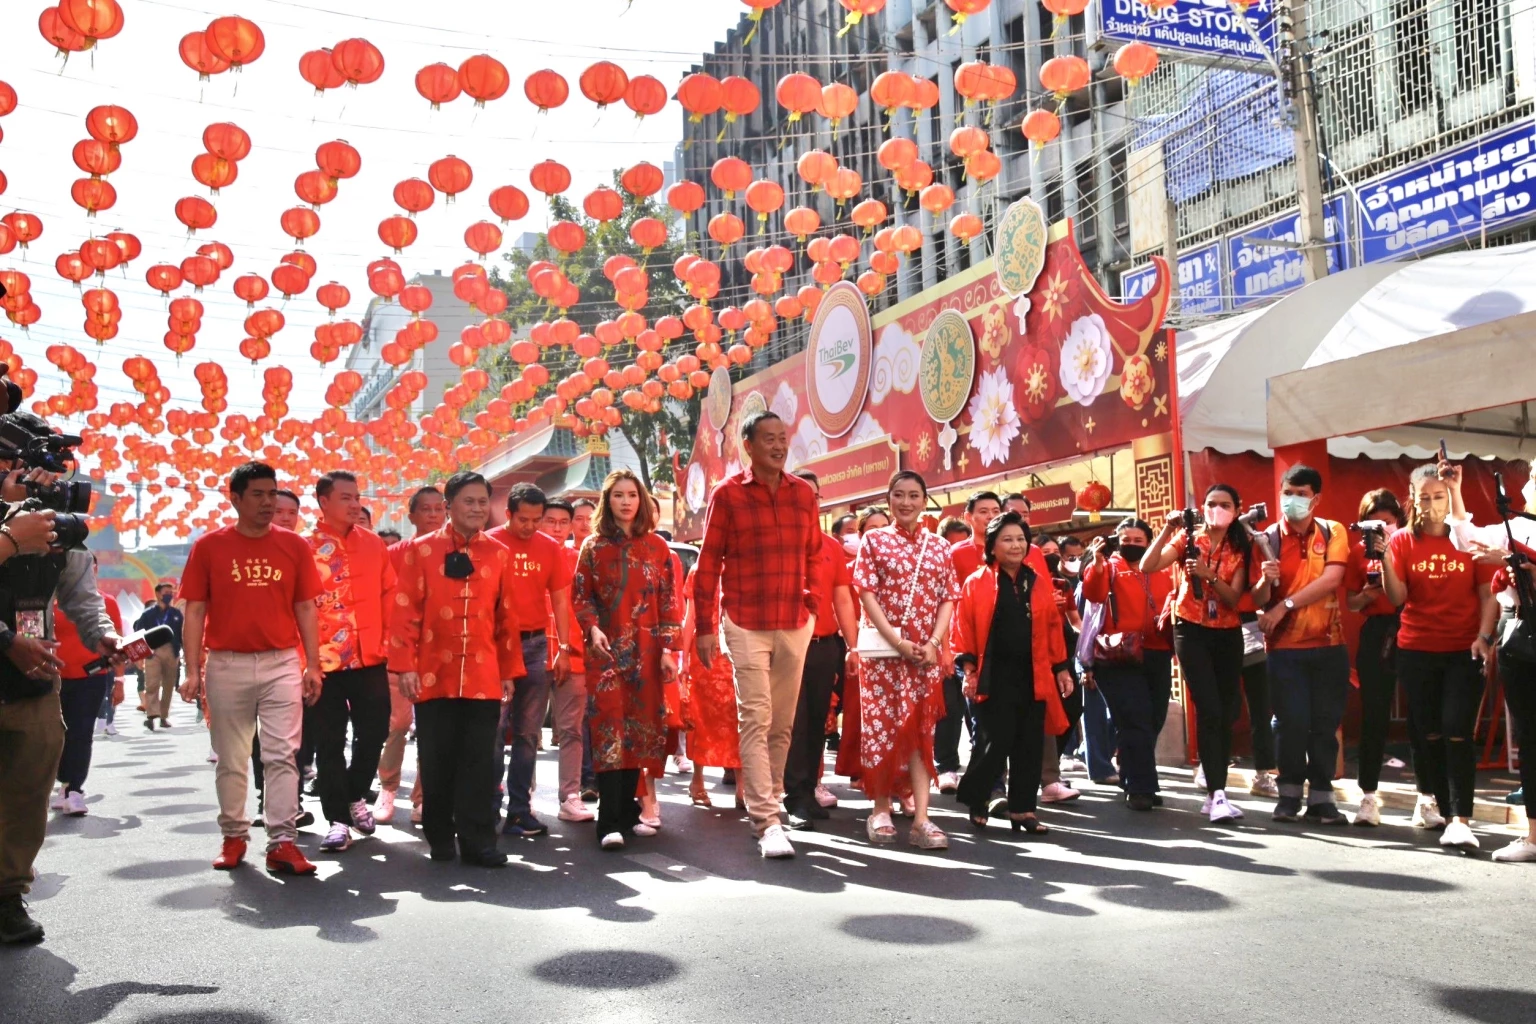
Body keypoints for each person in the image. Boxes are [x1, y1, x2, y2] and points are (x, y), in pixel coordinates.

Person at [179, 461, 324, 876]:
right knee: (232, 757)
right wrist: (192, 670)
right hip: (227, 663)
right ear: (236, 499)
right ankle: (234, 836)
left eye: (272, 493)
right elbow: (195, 610)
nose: (268, 502)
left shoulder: (294, 546)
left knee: (282, 755)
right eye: (258, 494)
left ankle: (282, 841)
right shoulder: (209, 547)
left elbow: (305, 607)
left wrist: (313, 665)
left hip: (281, 662)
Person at [693, 411, 822, 859]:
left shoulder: (802, 494)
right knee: (756, 717)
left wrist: (812, 606)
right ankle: (766, 819)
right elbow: (708, 563)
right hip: (745, 621)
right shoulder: (727, 494)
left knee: (782, 723)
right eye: (769, 438)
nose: (779, 445)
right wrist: (705, 628)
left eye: (783, 438)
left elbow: (815, 554)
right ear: (747, 445)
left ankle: (772, 800)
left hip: (793, 620)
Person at [0, 488, 117, 945]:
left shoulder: (63, 534)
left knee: (29, 789)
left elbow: (83, 599)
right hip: (15, 652)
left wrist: (103, 635)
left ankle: (8, 894)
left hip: (33, 680)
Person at [390, 472, 524, 867]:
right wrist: (405, 666)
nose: (478, 508)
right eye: (469, 501)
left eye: (483, 501)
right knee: (436, 758)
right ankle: (439, 836)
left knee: (480, 761)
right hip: (432, 675)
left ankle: (478, 841)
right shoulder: (420, 551)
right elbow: (405, 612)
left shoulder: (499, 553)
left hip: (483, 675)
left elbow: (507, 617)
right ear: (449, 506)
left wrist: (508, 672)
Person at [1380, 464, 1499, 850]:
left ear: (1450, 498)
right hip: (1416, 650)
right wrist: (1384, 559)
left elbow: (1488, 594)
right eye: (1425, 497)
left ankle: (1462, 819)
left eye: (1439, 496)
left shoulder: (1469, 538)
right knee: (1429, 731)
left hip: (1465, 649)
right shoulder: (1402, 541)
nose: (1432, 504)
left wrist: (1484, 637)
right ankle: (1447, 815)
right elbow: (1397, 597)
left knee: (1457, 729)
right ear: (1413, 500)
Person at [572, 470, 681, 851]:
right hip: (605, 652)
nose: (626, 501)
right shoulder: (592, 547)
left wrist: (667, 649)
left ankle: (628, 812)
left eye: (632, 494)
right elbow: (581, 596)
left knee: (637, 730)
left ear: (641, 500)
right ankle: (608, 820)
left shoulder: (657, 547)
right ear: (608, 501)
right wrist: (591, 629)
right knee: (608, 729)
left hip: (646, 653)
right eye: (618, 495)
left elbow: (669, 601)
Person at [852, 471, 958, 850]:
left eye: (914, 495)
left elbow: (948, 597)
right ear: (889, 499)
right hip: (884, 656)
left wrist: (934, 643)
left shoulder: (939, 546)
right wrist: (897, 641)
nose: (906, 502)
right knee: (881, 729)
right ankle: (880, 809)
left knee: (921, 733)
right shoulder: (874, 540)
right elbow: (866, 593)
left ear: (925, 501)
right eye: (899, 495)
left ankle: (922, 819)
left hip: (924, 657)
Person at [952, 511, 1074, 833]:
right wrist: (969, 670)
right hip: (993, 674)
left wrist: (1061, 668)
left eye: (1021, 539)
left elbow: (1052, 627)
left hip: (1033, 672)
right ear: (992, 546)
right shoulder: (975, 582)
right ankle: (978, 798)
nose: (1016, 545)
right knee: (994, 742)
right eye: (1007, 539)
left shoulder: (1036, 581)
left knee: (1030, 742)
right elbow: (963, 627)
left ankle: (1023, 809)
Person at [1142, 484, 1253, 824]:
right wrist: (1167, 529)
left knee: (1227, 710)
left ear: (1237, 509)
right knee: (1209, 708)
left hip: (1228, 632)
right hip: (1190, 630)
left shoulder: (1242, 546)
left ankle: (1214, 785)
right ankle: (1217, 793)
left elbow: (1234, 598)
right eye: (1211, 504)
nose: (1217, 510)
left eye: (1225, 504)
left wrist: (1208, 575)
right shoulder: (1189, 539)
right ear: (1202, 508)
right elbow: (1148, 565)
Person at [1251, 465, 1351, 825]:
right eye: (1288, 493)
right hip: (1285, 649)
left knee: (1324, 725)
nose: (1292, 500)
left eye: (1301, 494)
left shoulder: (1332, 530)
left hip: (1329, 644)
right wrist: (1266, 582)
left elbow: (1332, 579)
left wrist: (1285, 605)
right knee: (1290, 724)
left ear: (1316, 498)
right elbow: (1257, 598)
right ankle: (1289, 795)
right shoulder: (1265, 539)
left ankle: (1322, 799)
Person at [305, 471, 397, 853]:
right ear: (323, 502)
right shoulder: (304, 547)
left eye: (357, 497)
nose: (355, 504)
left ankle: (355, 793)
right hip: (322, 662)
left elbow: (390, 593)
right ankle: (338, 821)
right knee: (328, 743)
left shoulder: (373, 544)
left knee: (375, 731)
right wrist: (305, 661)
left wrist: (388, 642)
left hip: (370, 655)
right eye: (345, 497)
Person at [486, 482, 573, 837]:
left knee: (528, 733)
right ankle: (488, 806)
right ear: (508, 513)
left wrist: (564, 647)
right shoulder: (488, 543)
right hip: (495, 646)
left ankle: (519, 810)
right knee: (492, 731)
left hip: (536, 645)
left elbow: (560, 599)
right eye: (523, 519)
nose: (530, 526)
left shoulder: (550, 548)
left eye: (537, 520)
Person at [1081, 519, 1175, 810]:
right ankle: (1140, 787)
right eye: (1126, 540)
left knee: (1154, 719)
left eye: (1138, 540)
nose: (1131, 545)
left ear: (1149, 542)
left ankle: (1132, 774)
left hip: (1157, 652)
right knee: (1135, 718)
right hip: (1118, 654)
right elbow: (1093, 594)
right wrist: (1097, 564)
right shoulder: (1109, 567)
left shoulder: (1162, 569)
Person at [783, 471, 859, 826]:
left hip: (826, 645)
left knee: (818, 722)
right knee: (794, 723)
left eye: (814, 495)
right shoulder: (780, 541)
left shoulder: (831, 546)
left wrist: (853, 647)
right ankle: (793, 797)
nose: (808, 501)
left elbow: (843, 599)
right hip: (788, 644)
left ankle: (808, 789)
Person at [378, 486, 444, 824]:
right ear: (412, 515)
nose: (433, 515)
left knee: (432, 730)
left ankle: (424, 797)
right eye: (426, 509)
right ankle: (387, 788)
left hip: (439, 653)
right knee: (398, 724)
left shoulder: (455, 552)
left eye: (438, 509)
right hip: (399, 651)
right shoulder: (393, 554)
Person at [1344, 488, 1406, 826]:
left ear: (1397, 520)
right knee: (1374, 713)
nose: (1381, 528)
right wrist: (1370, 593)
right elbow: (1352, 603)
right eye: (1374, 523)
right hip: (1377, 630)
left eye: (1386, 522)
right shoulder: (1358, 551)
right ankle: (1368, 796)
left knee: (1423, 713)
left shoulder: (1409, 544)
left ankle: (1429, 797)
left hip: (1411, 624)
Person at [938, 490, 1004, 793]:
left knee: (985, 714)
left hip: (996, 645)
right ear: (969, 517)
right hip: (958, 642)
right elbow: (943, 600)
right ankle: (947, 766)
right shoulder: (955, 553)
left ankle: (989, 777)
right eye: (983, 511)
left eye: (995, 511)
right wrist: (943, 645)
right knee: (950, 708)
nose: (990, 517)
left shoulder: (1008, 550)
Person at [50, 579, 124, 817]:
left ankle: (75, 790)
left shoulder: (104, 603)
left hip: (91, 676)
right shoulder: (47, 601)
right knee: (56, 735)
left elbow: (119, 643)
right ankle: (63, 781)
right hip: (53, 677)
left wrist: (120, 680)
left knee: (81, 732)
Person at [134, 581, 183, 731]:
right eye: (166, 593)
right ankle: (151, 715)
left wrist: (182, 653)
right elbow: (138, 633)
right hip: (153, 652)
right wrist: (139, 656)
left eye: (171, 593)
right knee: (152, 684)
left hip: (171, 651)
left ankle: (163, 716)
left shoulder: (176, 614)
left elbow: (182, 634)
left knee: (168, 685)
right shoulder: (148, 614)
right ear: (157, 594)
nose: (169, 595)